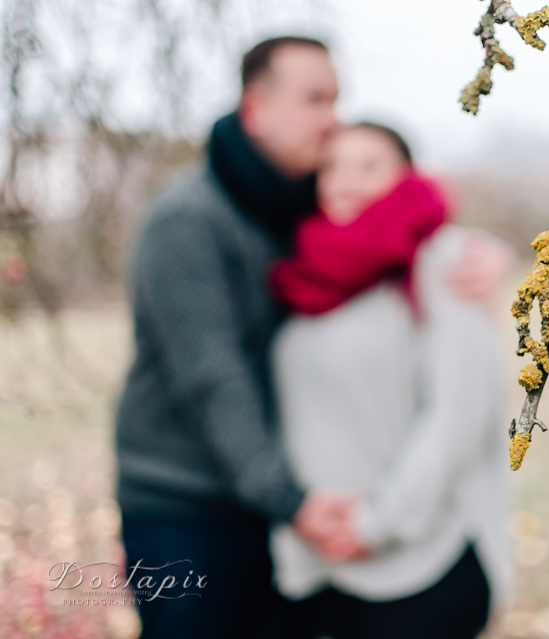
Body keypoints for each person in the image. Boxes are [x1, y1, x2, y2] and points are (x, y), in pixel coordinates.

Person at [114, 37, 513, 639]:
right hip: (185, 507)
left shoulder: (301, 208)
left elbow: (401, 219)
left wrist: (483, 252)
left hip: (273, 508)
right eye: (314, 100)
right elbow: (211, 378)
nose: (332, 120)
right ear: (256, 108)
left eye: (337, 100)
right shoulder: (188, 222)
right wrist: (294, 502)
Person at [267, 122, 512, 639]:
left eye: (368, 165)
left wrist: (376, 524)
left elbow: (458, 416)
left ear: (406, 177)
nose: (344, 180)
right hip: (321, 562)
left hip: (422, 561)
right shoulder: (301, 271)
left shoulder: (442, 260)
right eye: (331, 165)